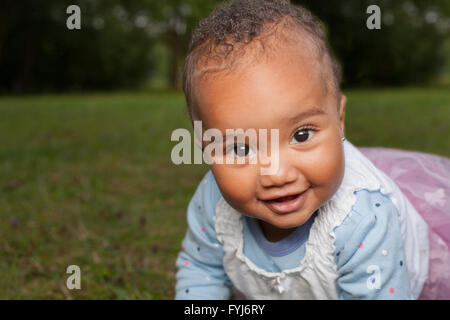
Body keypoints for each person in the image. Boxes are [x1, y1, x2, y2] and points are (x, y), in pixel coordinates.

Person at [174, 0, 450, 299]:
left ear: (339, 119)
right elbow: (201, 269)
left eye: (302, 135)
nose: (276, 174)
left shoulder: (362, 217)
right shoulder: (213, 200)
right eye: (241, 149)